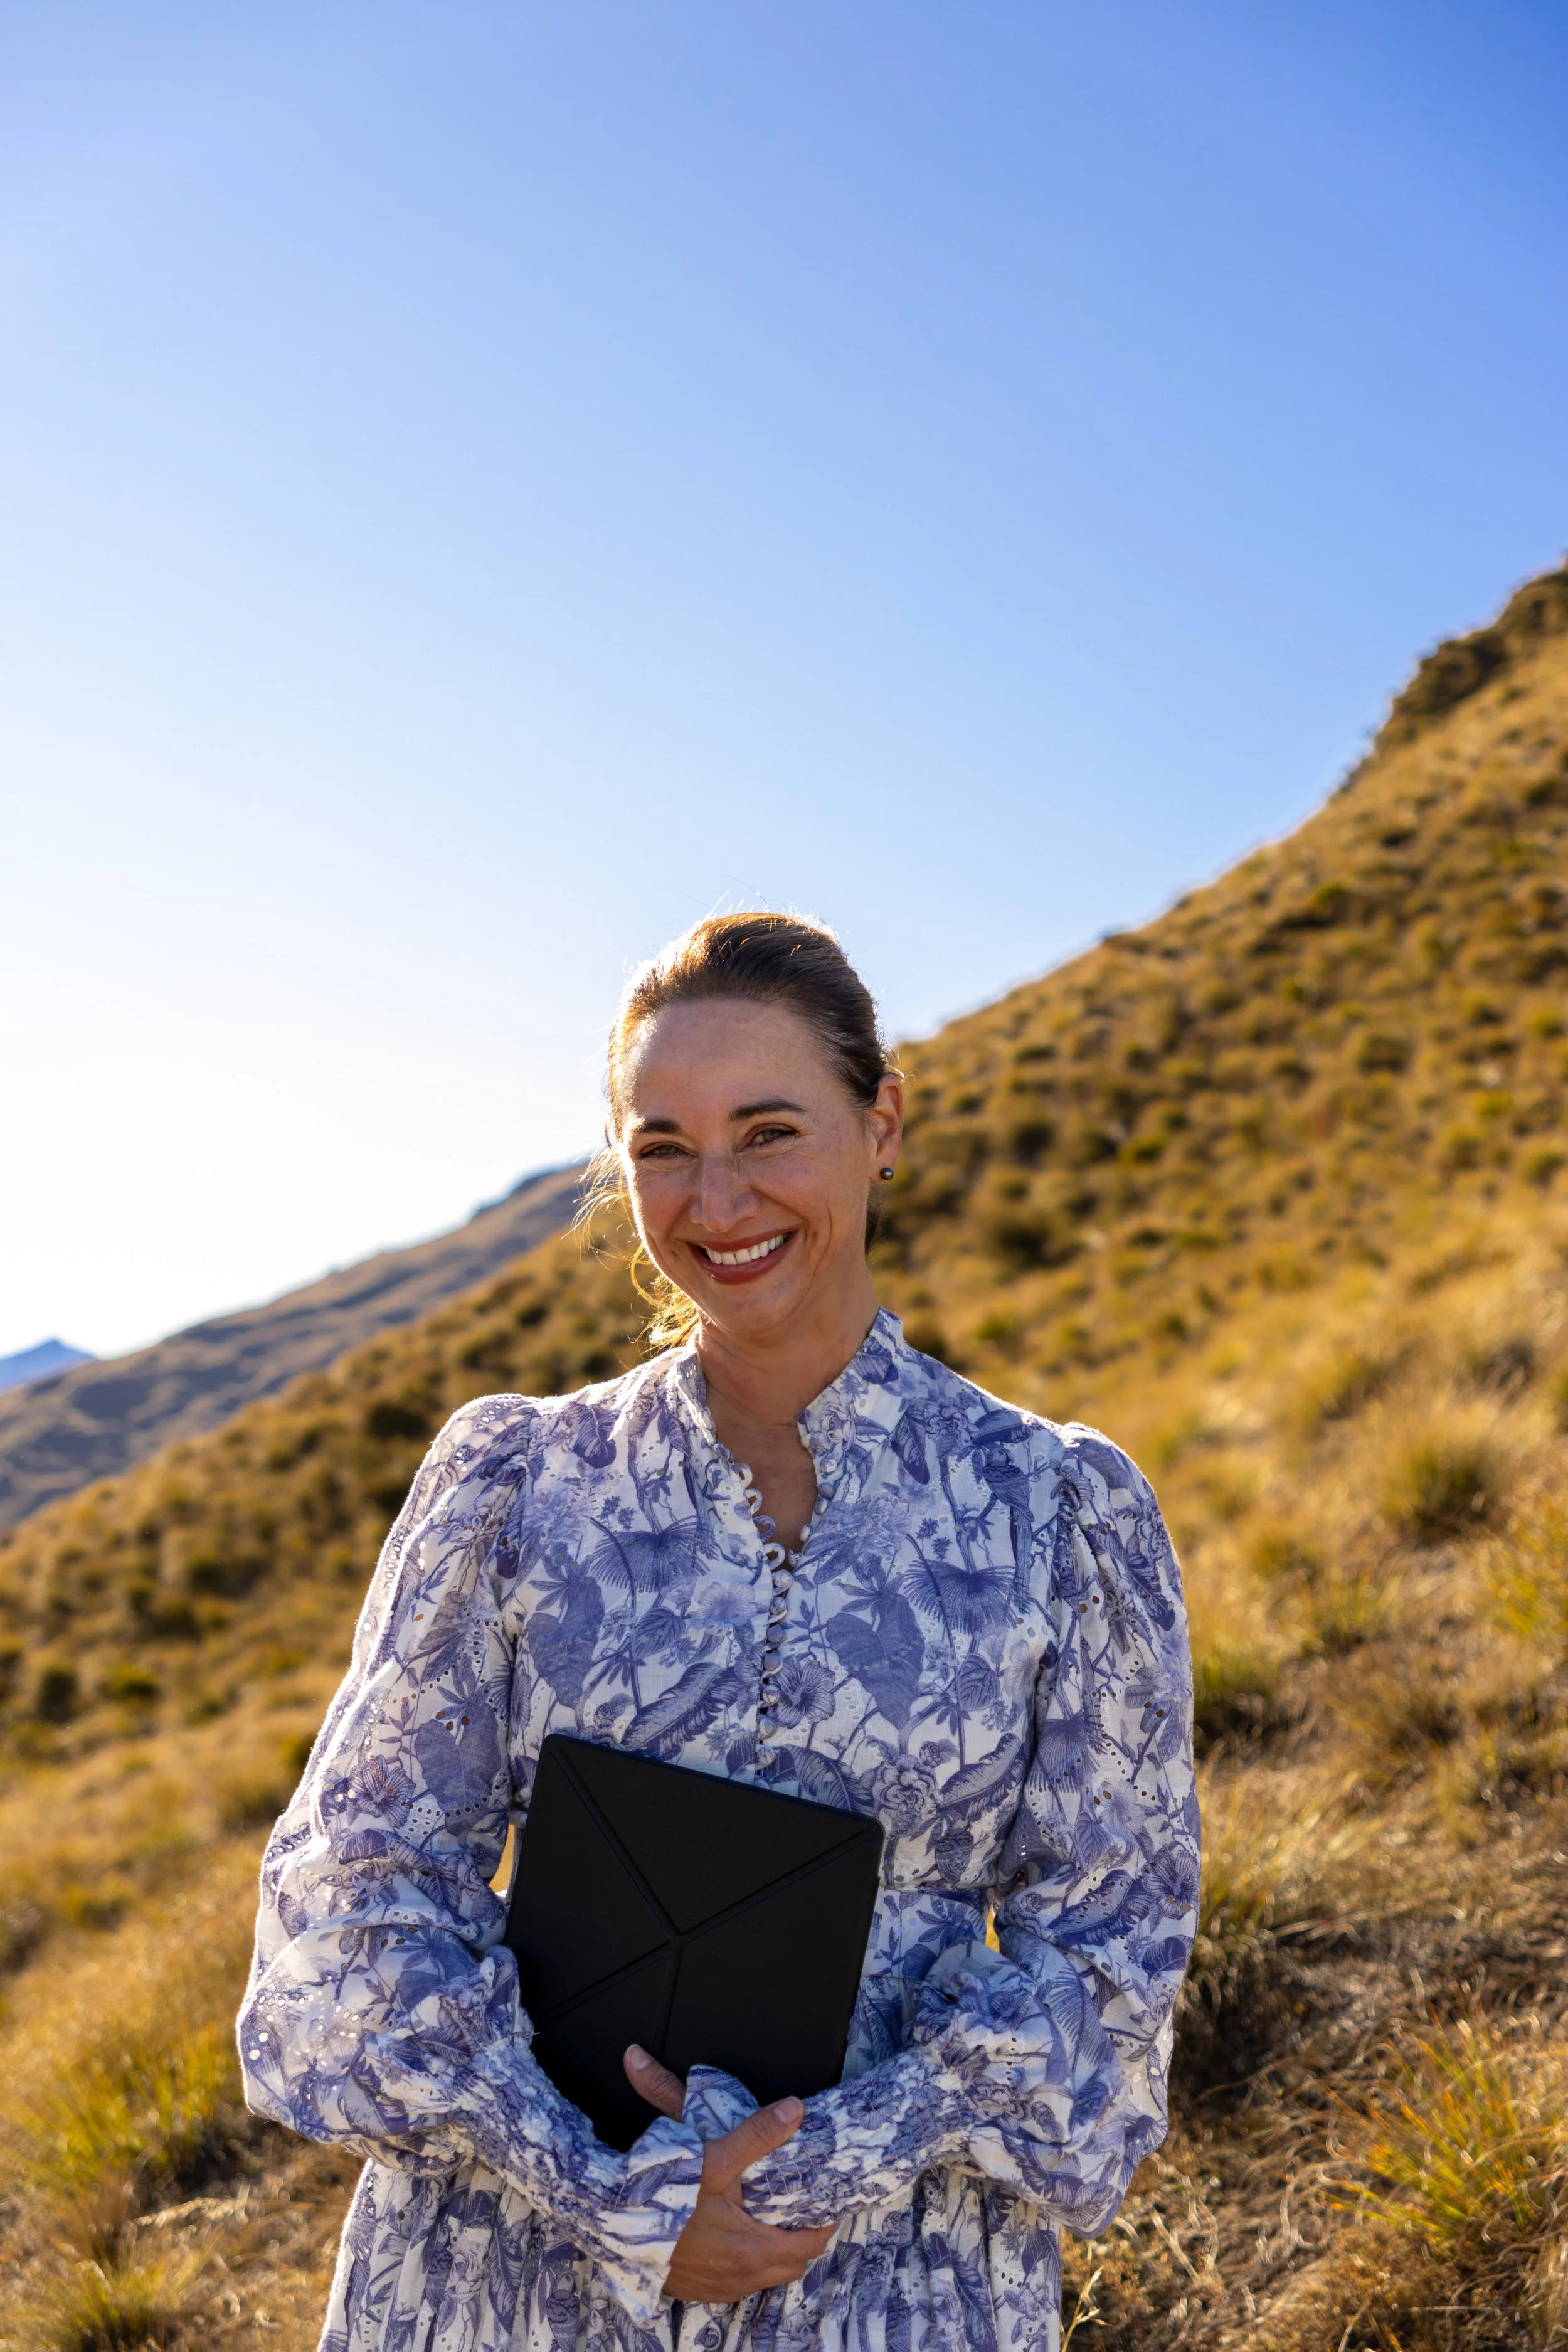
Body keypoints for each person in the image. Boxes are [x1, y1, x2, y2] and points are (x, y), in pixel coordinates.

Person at [239, 911, 1198, 2352]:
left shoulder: (1058, 1512)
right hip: (501, 2275)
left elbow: (1112, 1966)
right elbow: (349, 1902)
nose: (717, 1198)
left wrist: (811, 2166)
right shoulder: (513, 1484)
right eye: (663, 1147)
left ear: (881, 1125)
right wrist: (610, 2193)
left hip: (892, 2284)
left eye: (767, 1131)